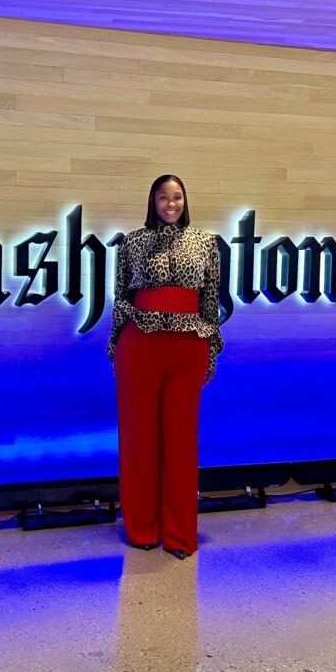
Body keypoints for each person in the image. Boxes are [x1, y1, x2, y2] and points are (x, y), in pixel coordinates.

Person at [107, 174, 224, 559]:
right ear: (153, 201)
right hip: (140, 344)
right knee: (139, 439)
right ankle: (142, 528)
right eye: (163, 197)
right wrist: (118, 344)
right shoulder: (132, 242)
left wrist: (210, 352)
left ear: (185, 200)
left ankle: (179, 534)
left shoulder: (206, 243)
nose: (170, 204)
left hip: (188, 347)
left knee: (181, 442)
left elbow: (210, 304)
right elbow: (120, 296)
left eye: (177, 197)